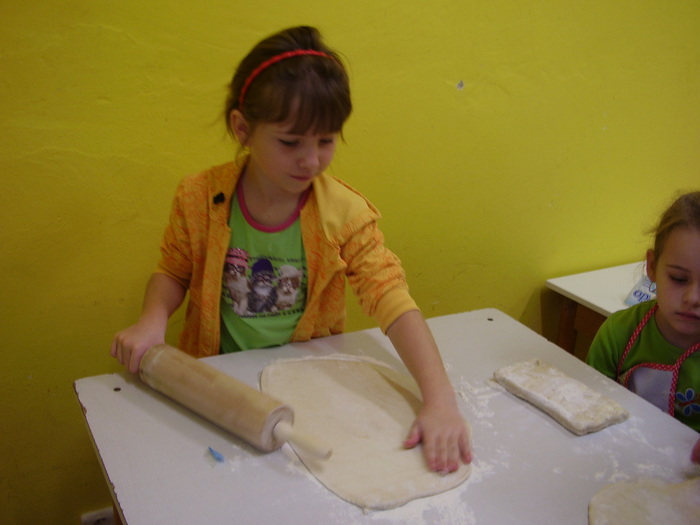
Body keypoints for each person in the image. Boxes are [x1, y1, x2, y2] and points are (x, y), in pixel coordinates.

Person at [111, 26, 472, 473]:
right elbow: (173, 271)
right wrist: (152, 320)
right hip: (220, 378)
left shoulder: (344, 213)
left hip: (309, 383)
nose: (311, 160)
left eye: (326, 141)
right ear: (243, 129)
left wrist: (439, 400)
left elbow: (391, 299)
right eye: (290, 142)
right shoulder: (200, 198)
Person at [587, 191, 700, 432]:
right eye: (679, 279)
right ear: (652, 266)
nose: (693, 298)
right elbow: (590, 408)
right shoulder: (618, 334)